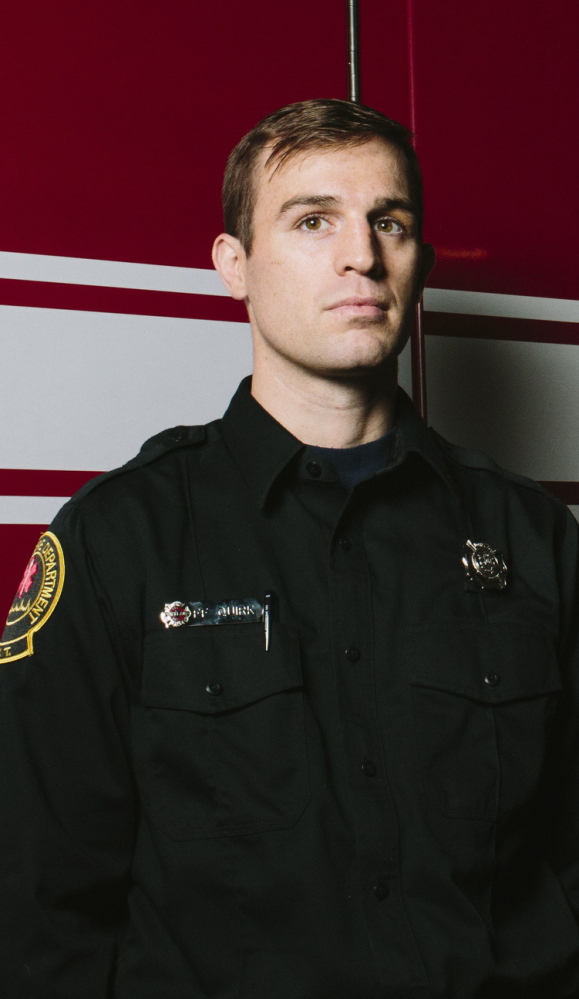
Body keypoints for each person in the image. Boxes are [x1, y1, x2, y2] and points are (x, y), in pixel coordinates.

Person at [1, 98, 578, 999]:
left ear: (418, 261)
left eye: (388, 221)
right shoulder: (119, 537)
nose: (361, 254)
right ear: (233, 266)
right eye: (313, 220)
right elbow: (40, 907)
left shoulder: (531, 539)